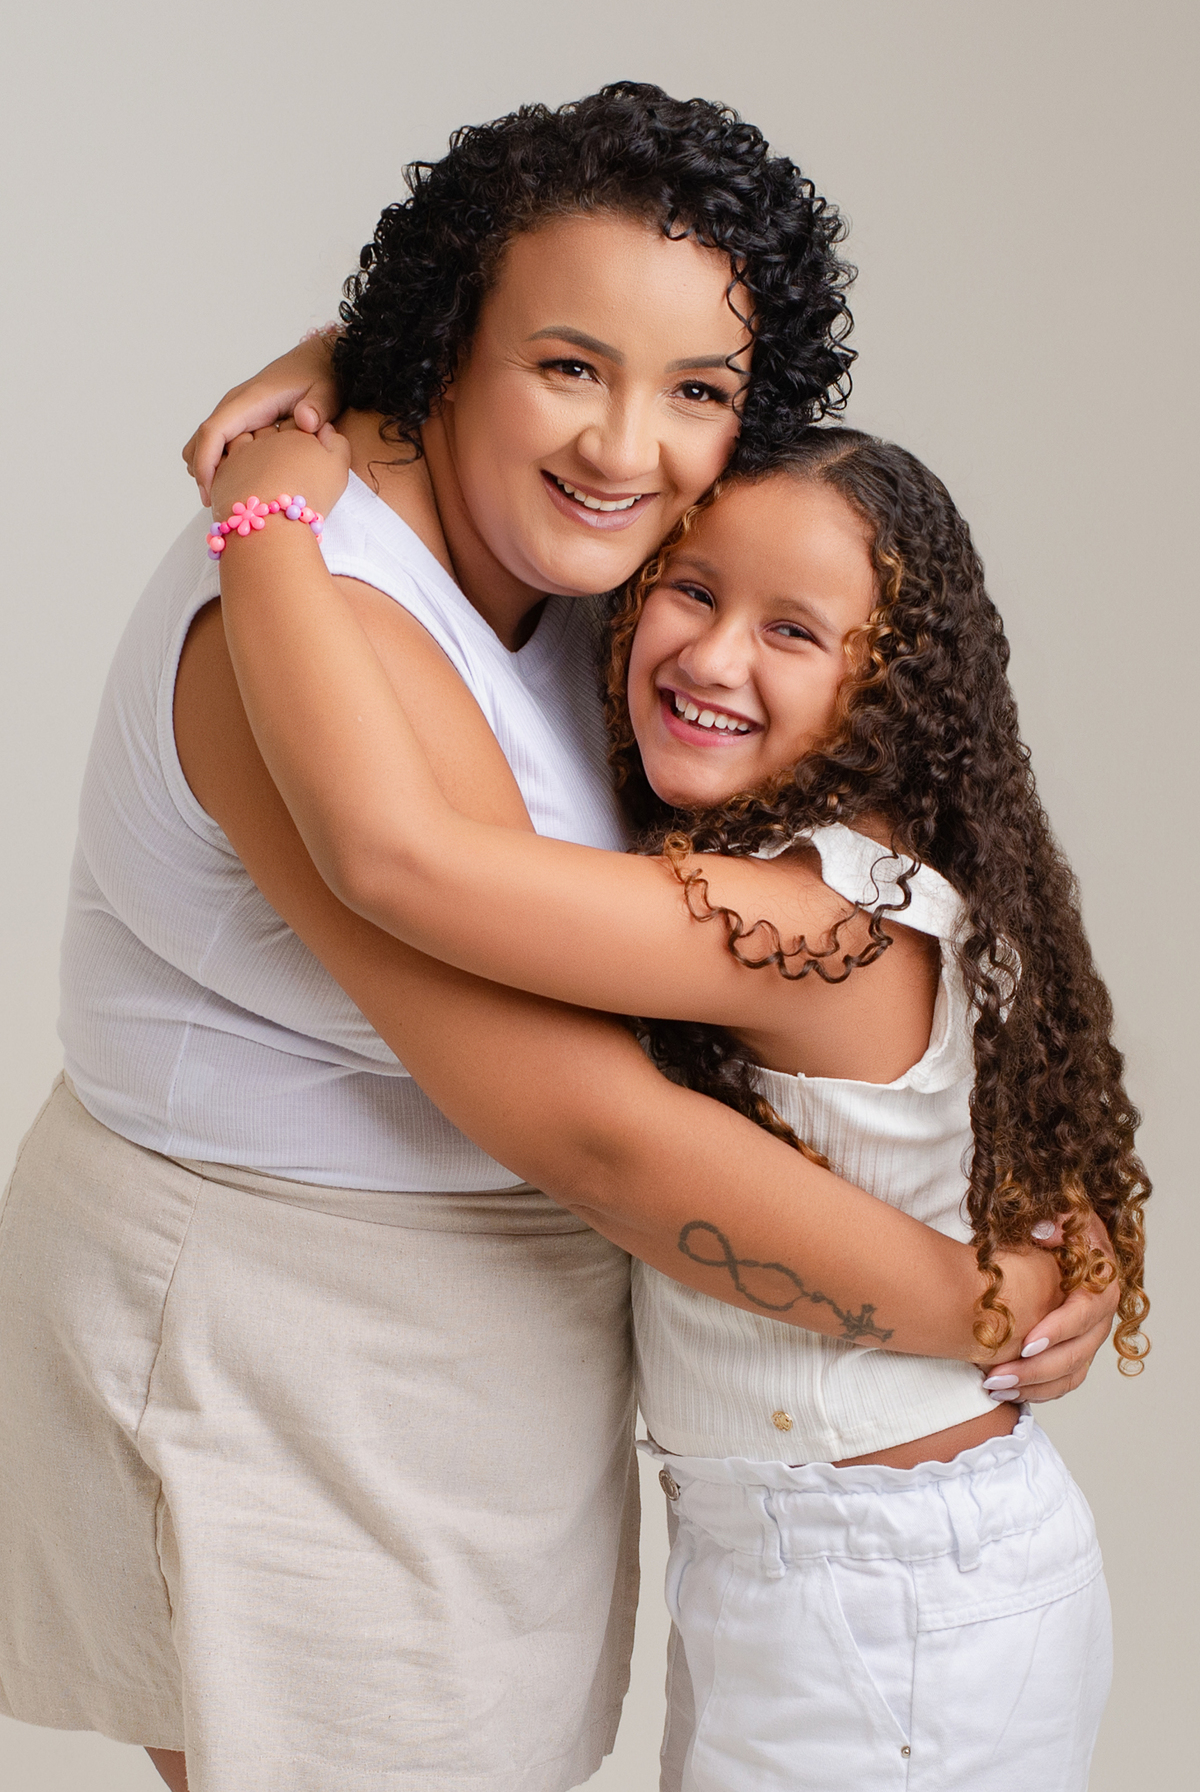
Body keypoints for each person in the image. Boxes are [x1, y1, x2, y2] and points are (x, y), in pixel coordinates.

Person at [0, 86, 1115, 1792]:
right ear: (453, 339)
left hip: (547, 1377)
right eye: (568, 368)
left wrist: (1045, 1213)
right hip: (290, 1346)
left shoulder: (636, 577)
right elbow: (579, 1107)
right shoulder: (312, 613)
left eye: (697, 393)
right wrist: (982, 1294)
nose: (623, 448)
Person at [208, 417, 1148, 1791]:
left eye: (793, 631)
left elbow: (400, 860)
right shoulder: (829, 871)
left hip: (885, 1590)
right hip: (838, 1567)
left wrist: (265, 530)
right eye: (692, 590)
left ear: (890, 689)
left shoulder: (810, 919)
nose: (711, 657)